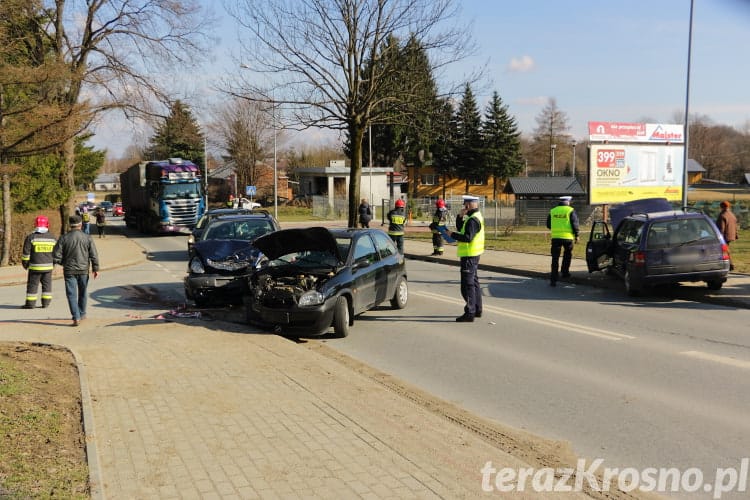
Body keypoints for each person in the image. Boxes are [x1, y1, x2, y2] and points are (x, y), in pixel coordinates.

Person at [53, 215, 100, 327]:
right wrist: (95, 268)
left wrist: (63, 263)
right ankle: (82, 313)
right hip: (83, 270)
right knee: (83, 292)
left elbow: (56, 256)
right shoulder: (87, 237)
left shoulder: (63, 238)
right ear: (80, 224)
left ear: (70, 225)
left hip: (69, 271)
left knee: (71, 294)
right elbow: (94, 255)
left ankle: (76, 317)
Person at [449, 195, 484, 322]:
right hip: (473, 254)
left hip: (469, 255)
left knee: (467, 285)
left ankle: (470, 312)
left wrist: (451, 235)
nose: (464, 207)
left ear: (468, 205)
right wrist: (460, 216)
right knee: (474, 283)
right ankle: (477, 309)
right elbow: (461, 228)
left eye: (465, 205)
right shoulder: (473, 217)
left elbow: (467, 237)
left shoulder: (473, 220)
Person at [21, 215, 57, 309]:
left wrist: (25, 265)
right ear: (47, 225)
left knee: (33, 285)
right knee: (47, 285)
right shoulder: (52, 238)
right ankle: (46, 303)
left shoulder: (31, 237)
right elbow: (56, 254)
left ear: (35, 224)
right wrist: (54, 265)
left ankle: (30, 304)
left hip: (34, 267)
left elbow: (26, 254)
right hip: (48, 267)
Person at [546, 195, 579, 287]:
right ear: (568, 202)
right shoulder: (570, 210)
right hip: (568, 238)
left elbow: (548, 225)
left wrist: (557, 228)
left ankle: (553, 280)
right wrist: (577, 235)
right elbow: (575, 224)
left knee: (555, 258)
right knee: (567, 255)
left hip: (556, 238)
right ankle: (565, 273)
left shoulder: (553, 211)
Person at [716, 200, 739, 270]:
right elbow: (736, 225)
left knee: (725, 250)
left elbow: (721, 228)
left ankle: (730, 265)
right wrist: (736, 234)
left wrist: (719, 237)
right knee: (725, 249)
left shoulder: (722, 215)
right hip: (731, 234)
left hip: (725, 236)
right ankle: (729, 265)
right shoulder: (732, 214)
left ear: (721, 207)